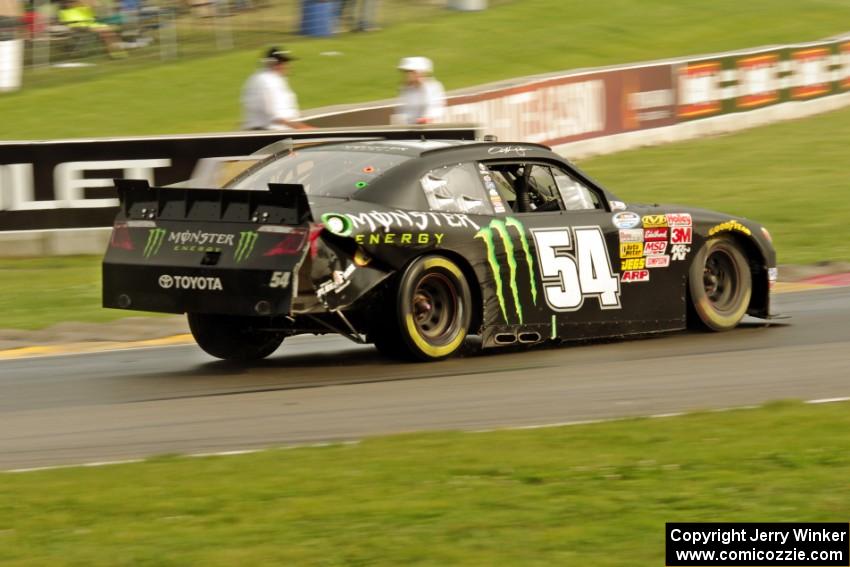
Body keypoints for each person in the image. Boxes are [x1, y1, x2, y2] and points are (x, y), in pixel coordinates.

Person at [241, 46, 310, 131]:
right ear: (271, 63)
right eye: (282, 63)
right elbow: (275, 116)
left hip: (274, 131)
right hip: (270, 133)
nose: (286, 66)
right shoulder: (267, 81)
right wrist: (304, 128)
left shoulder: (269, 78)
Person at [394, 56, 445, 125]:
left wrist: (427, 118)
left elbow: (437, 108)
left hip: (431, 128)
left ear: (419, 73)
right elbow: (402, 111)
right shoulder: (404, 89)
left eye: (410, 72)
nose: (407, 74)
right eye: (406, 72)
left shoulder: (434, 86)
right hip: (411, 129)